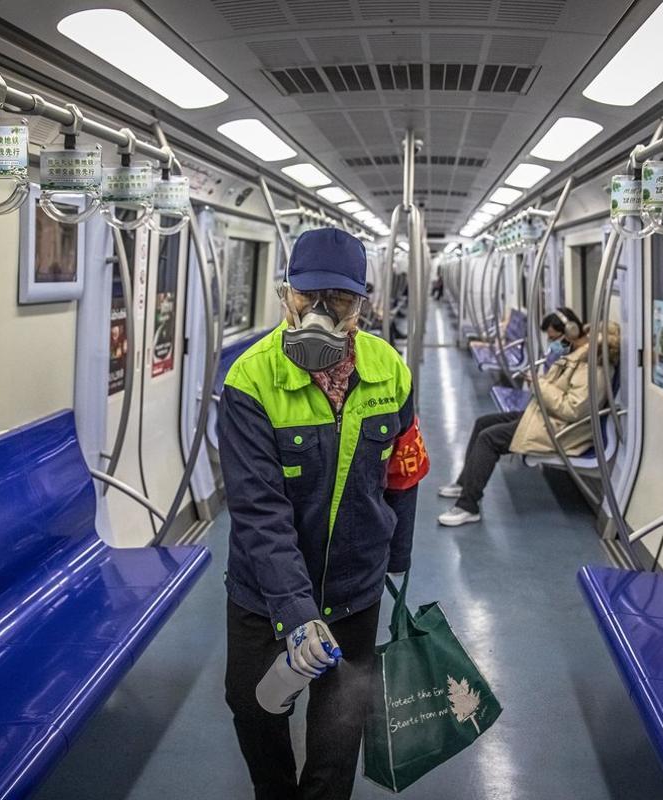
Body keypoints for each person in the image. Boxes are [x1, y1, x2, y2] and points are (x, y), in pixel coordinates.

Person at [218, 227, 430, 800]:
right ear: (286, 295)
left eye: (337, 299)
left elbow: (402, 475)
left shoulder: (390, 371)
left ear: (361, 303)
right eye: (306, 296)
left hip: (353, 590)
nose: (319, 312)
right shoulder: (250, 380)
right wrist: (293, 610)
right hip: (264, 596)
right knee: (255, 714)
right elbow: (259, 511)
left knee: (337, 744)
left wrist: (394, 561)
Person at [437, 308, 620, 527]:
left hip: (560, 430)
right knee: (483, 423)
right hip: (547, 417)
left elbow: (572, 410)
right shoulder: (578, 356)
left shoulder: (594, 368)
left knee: (489, 438)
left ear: (571, 332)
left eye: (555, 339)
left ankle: (468, 506)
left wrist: (539, 384)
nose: (552, 344)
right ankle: (465, 482)